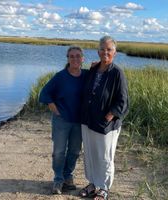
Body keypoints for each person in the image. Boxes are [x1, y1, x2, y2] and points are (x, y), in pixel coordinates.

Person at [79, 36, 129, 200]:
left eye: (109, 49)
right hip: (87, 120)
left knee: (105, 157)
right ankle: (93, 183)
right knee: (90, 154)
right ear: (98, 51)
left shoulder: (117, 73)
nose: (105, 52)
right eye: (102, 49)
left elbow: (123, 101)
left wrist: (108, 116)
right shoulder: (93, 69)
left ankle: (104, 188)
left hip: (106, 125)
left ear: (114, 52)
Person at [39, 46, 87, 195]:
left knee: (74, 151)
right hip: (62, 120)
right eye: (71, 56)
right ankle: (58, 180)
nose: (75, 59)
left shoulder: (87, 75)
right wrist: (56, 111)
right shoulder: (60, 76)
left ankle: (68, 176)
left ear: (82, 59)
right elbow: (44, 94)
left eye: (78, 56)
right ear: (67, 59)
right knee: (59, 152)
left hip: (79, 121)